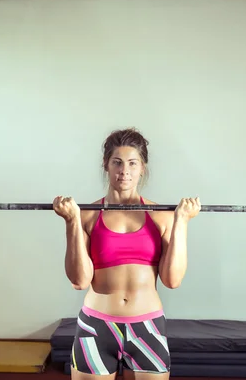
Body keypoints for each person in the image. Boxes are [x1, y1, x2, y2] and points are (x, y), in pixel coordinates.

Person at [53, 128, 201, 380]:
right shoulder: (87, 215)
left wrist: (182, 222)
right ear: (106, 165)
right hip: (96, 327)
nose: (125, 171)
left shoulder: (162, 216)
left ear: (142, 167)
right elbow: (79, 281)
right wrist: (72, 222)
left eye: (133, 163)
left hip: (148, 327)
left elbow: (172, 280)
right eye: (117, 162)